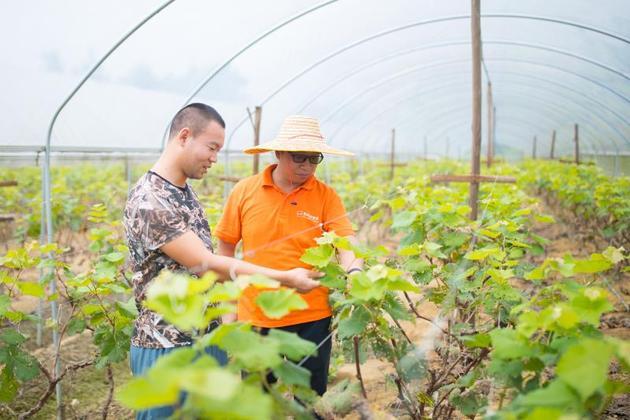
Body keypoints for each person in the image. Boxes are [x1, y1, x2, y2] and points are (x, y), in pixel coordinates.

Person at [123, 104, 321, 420]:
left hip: (204, 340)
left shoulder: (182, 191)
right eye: (212, 147)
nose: (215, 158)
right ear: (185, 137)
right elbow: (207, 264)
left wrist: (228, 316)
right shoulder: (151, 200)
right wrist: (285, 278)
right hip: (166, 346)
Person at [215, 115, 363, 397]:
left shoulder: (325, 195)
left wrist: (354, 272)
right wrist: (229, 309)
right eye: (298, 158)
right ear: (279, 153)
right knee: (258, 399)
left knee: (310, 398)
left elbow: (345, 241)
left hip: (312, 316)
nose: (307, 166)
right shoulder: (244, 192)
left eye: (314, 159)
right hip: (256, 314)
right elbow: (225, 250)